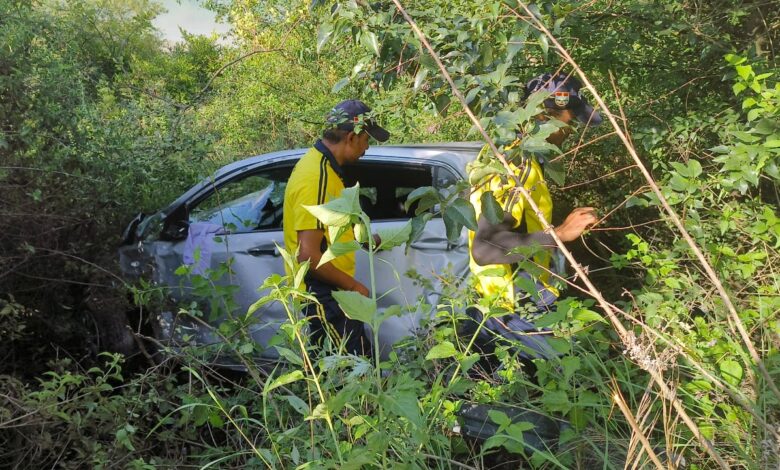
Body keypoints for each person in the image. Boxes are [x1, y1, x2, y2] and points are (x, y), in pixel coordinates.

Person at [465, 72, 602, 361]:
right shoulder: (514, 166)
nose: (571, 130)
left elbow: (520, 227)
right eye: (571, 119)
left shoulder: (520, 159)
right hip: (515, 310)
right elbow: (486, 248)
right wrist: (560, 235)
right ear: (545, 116)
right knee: (565, 385)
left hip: (514, 303)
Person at [283, 99, 389, 356]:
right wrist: (354, 287)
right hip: (324, 296)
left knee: (355, 368)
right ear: (353, 136)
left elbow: (327, 227)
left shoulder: (327, 169)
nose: (367, 148)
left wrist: (360, 238)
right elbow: (307, 254)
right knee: (349, 374)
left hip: (335, 294)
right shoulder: (316, 176)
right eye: (367, 140)